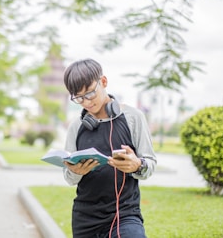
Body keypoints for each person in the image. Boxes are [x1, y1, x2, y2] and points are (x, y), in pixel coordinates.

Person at [62, 58, 156, 238]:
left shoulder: (133, 117)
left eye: (89, 93)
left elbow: (150, 163)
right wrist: (76, 171)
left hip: (125, 215)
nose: (86, 102)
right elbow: (69, 178)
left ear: (103, 82)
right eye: (78, 98)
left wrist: (137, 165)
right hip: (85, 219)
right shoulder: (76, 126)